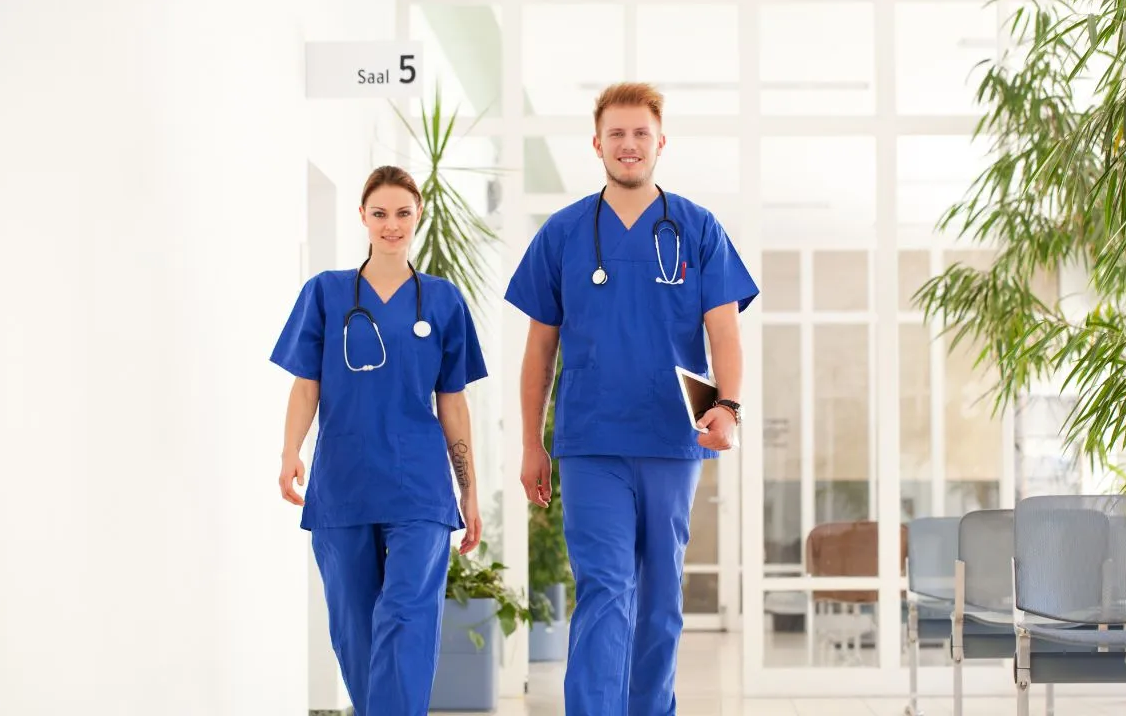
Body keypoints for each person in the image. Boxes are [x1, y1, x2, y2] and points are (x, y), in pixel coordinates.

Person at [505, 82, 760, 715]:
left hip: (672, 442)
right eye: (616, 134)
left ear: (660, 143)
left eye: (640, 133)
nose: (628, 145)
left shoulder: (697, 229)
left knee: (660, 601)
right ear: (596, 144)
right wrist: (532, 444)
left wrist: (727, 409)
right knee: (604, 589)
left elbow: (724, 331)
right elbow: (538, 352)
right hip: (591, 442)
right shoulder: (562, 234)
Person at [270, 165, 487, 716]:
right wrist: (291, 450)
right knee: (353, 626)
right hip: (343, 480)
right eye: (380, 213)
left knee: (408, 614)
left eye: (403, 213)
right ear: (362, 217)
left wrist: (470, 491)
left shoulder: (442, 302)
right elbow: (306, 385)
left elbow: (453, 404)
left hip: (418, 484)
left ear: (419, 217)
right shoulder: (325, 292)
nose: (392, 225)